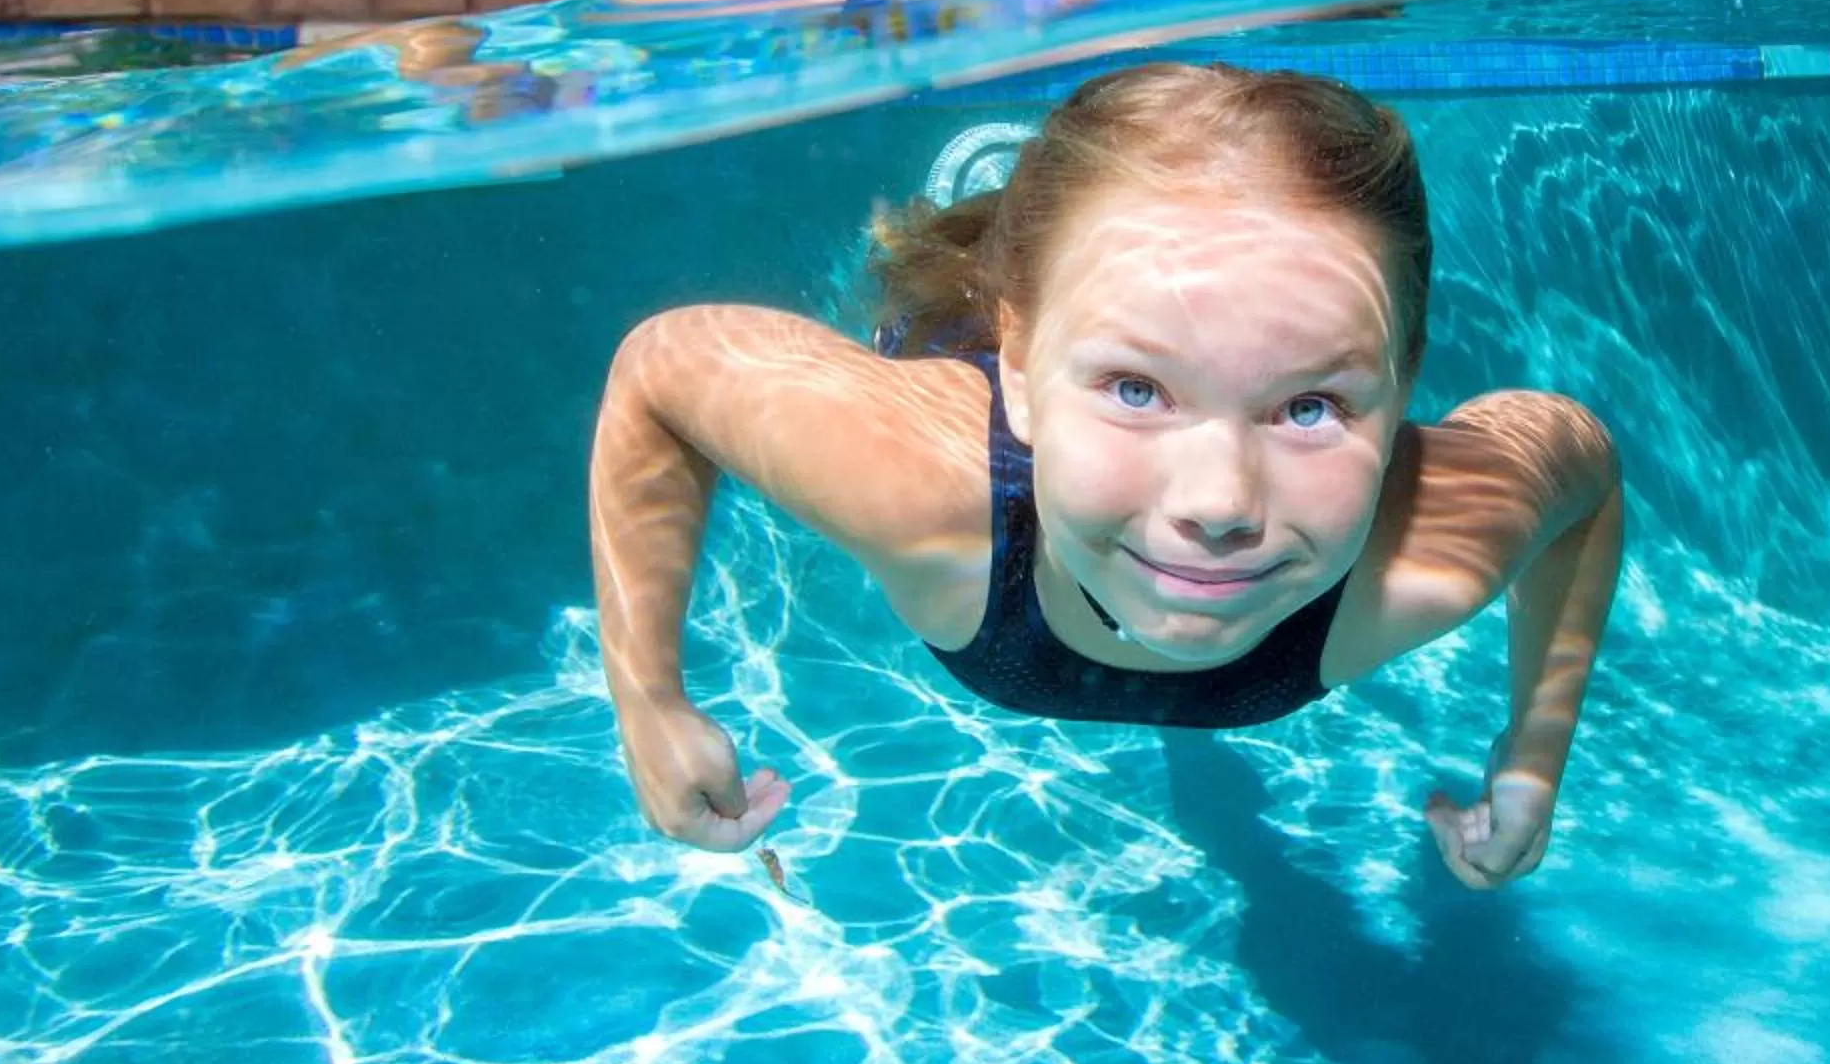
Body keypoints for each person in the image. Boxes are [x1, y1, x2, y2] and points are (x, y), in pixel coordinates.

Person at [588, 62, 1624, 889]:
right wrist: (649, 698)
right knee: (945, 292)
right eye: (1137, 388)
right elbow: (662, 368)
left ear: (1401, 391)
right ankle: (995, 226)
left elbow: (1583, 462)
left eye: (1311, 405)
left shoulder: (1428, 553)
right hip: (960, 345)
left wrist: (1536, 746)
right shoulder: (923, 488)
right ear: (1026, 375)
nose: (1218, 503)